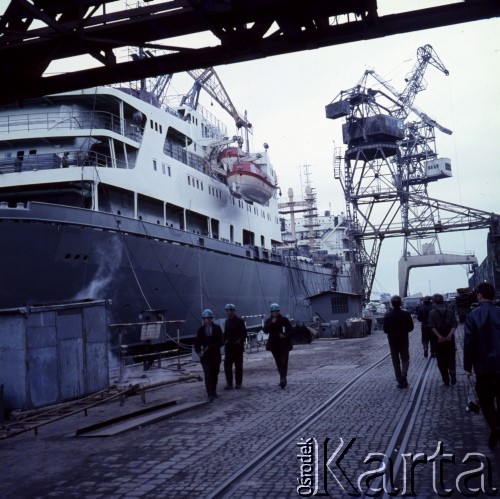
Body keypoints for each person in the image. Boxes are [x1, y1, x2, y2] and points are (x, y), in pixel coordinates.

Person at [463, 282, 500, 448]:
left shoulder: (472, 316)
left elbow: (469, 342)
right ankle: (497, 426)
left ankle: (495, 427)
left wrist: (467, 365)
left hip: (483, 366)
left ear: (479, 296)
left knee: (485, 400)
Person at [383, 295, 414, 388]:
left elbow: (385, 330)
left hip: (392, 341)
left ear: (392, 304)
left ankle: (400, 380)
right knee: (405, 359)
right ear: (400, 303)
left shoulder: (387, 315)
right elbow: (411, 327)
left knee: (395, 362)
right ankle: (404, 374)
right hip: (404, 340)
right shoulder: (406, 314)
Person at [194, 309, 224, 402]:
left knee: (215, 374)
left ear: (212, 318)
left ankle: (214, 391)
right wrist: (199, 353)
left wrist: (212, 346)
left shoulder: (217, 328)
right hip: (205, 357)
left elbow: (222, 341)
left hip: (215, 355)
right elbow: (197, 344)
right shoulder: (201, 330)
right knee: (207, 375)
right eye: (206, 318)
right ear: (203, 319)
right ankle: (209, 393)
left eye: (209, 318)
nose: (208, 320)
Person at [428, 293, 458, 387]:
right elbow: (454, 324)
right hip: (449, 337)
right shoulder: (450, 311)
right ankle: (452, 372)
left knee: (441, 360)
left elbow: (432, 326)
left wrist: (439, 337)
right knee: (451, 357)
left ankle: (445, 380)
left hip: (438, 340)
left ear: (434, 302)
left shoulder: (432, 312)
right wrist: (449, 335)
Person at [263, 303, 293, 389]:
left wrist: (285, 335)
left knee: (284, 362)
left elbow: (291, 330)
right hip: (274, 345)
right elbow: (265, 330)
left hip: (284, 345)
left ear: (279, 311)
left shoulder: (284, 320)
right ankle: (282, 377)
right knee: (278, 362)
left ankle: (282, 378)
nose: (275, 313)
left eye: (276, 311)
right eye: (273, 312)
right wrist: (272, 323)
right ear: (271, 312)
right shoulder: (268, 321)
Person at [223, 303, 247, 390]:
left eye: (228, 311)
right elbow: (225, 334)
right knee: (227, 365)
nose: (227, 312)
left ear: (233, 311)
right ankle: (229, 383)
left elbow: (244, 333)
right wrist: (222, 341)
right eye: (226, 311)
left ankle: (238, 383)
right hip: (229, 346)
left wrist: (239, 341)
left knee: (238, 366)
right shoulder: (227, 321)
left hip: (237, 347)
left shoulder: (239, 321)